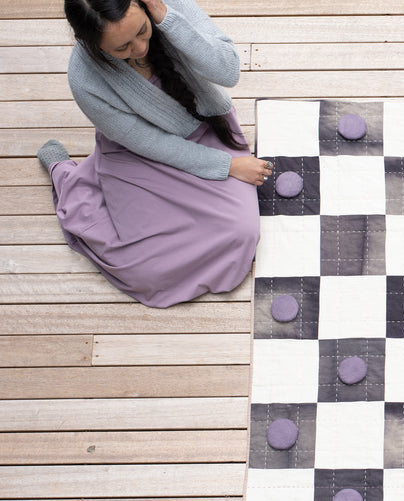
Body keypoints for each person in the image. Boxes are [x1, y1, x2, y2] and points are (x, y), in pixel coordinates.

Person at [37, 0, 270, 307]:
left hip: (206, 129)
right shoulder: (84, 79)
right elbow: (150, 144)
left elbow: (227, 70)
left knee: (242, 233)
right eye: (122, 48)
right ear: (92, 45)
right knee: (147, 273)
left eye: (142, 31)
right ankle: (65, 176)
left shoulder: (167, 7)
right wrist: (227, 165)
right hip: (139, 153)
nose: (141, 48)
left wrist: (166, 20)